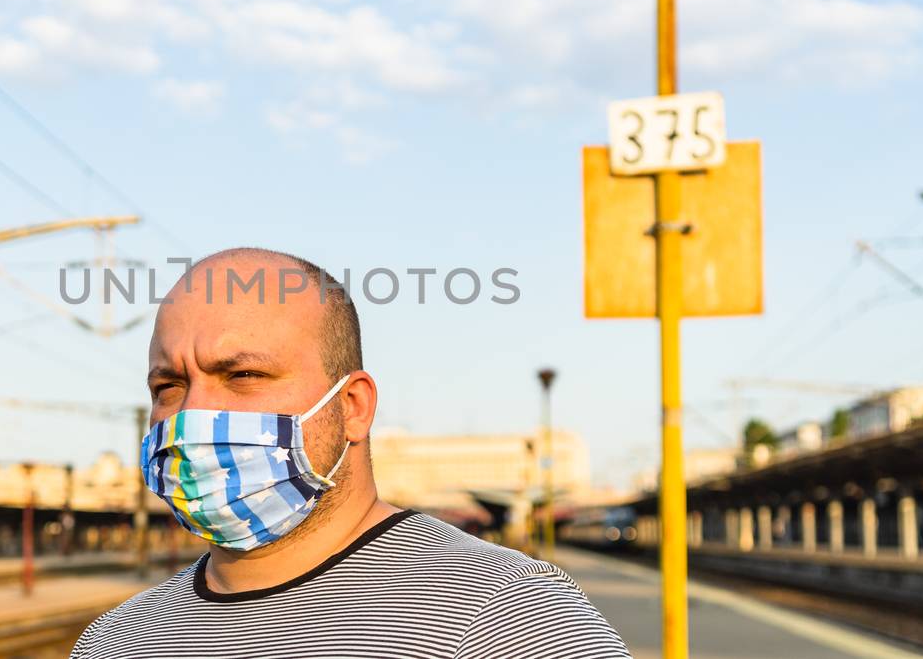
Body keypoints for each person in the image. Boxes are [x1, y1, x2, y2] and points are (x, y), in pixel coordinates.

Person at [71, 248, 629, 658]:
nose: (193, 415)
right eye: (168, 386)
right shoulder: (113, 639)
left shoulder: (509, 619)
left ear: (354, 407)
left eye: (243, 374)